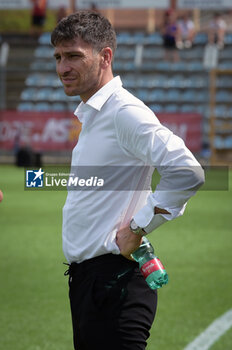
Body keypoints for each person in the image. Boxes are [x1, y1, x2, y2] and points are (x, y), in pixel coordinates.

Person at [51, 11, 205, 350]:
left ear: (105, 56)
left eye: (74, 56)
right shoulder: (95, 116)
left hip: (115, 283)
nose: (63, 67)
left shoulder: (123, 112)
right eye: (59, 57)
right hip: (90, 282)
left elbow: (187, 172)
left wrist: (138, 228)